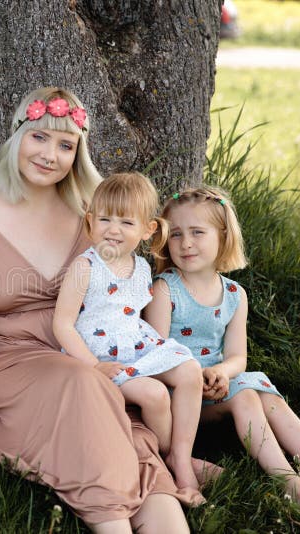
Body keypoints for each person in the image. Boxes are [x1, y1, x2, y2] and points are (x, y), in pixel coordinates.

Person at [0, 87, 196, 533]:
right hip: (13, 360)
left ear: (78, 154)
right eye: (39, 138)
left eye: (66, 145)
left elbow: (128, 289)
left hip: (88, 350)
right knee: (84, 388)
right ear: (17, 137)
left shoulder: (93, 215)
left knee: (111, 414)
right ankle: (112, 521)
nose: (50, 155)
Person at [143, 186, 300, 527]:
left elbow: (238, 357)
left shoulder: (235, 294)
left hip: (217, 387)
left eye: (197, 232)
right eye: (175, 234)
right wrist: (195, 377)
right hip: (180, 396)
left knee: (268, 397)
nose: (185, 243)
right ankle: (296, 492)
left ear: (223, 237)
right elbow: (155, 355)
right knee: (248, 397)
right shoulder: (165, 289)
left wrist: (221, 372)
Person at [53, 171, 206, 506]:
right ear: (91, 222)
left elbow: (137, 317)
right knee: (154, 395)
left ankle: (182, 455)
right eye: (105, 219)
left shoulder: (141, 267)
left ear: (147, 229)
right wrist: (94, 365)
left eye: (126, 222)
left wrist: (159, 355)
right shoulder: (85, 267)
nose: (113, 229)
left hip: (137, 344)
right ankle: (171, 460)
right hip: (101, 353)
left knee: (191, 371)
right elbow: (62, 324)